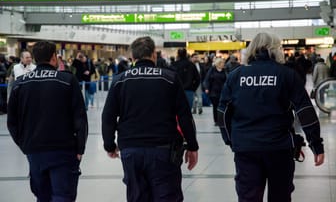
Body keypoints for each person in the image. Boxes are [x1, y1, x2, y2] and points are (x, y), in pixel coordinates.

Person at [217, 32, 324, 202]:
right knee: (280, 196)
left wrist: (231, 140)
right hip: (279, 148)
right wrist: (316, 144)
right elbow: (305, 111)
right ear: (276, 49)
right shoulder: (286, 75)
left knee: (248, 197)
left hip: (246, 148)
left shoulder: (236, 76)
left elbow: (222, 113)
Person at [102, 36, 199, 202]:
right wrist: (192, 146)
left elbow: (108, 116)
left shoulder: (120, 81)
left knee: (137, 197)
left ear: (133, 57)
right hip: (163, 150)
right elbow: (184, 116)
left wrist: (109, 145)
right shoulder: (169, 78)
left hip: (131, 150)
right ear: (154, 55)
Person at [7, 41, 88, 202]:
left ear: (35, 58)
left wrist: (24, 145)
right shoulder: (67, 81)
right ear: (53, 57)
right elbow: (79, 118)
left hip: (34, 151)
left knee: (42, 195)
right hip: (64, 149)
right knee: (63, 195)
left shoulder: (20, 84)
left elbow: (12, 122)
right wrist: (80, 148)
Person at [203, 57, 226, 126]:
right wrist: (206, 88)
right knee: (215, 106)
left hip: (222, 91)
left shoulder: (224, 71)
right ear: (218, 63)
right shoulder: (212, 70)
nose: (223, 64)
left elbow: (227, 80)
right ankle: (216, 121)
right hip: (213, 92)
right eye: (222, 63)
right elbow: (207, 79)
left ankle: (221, 120)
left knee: (221, 106)